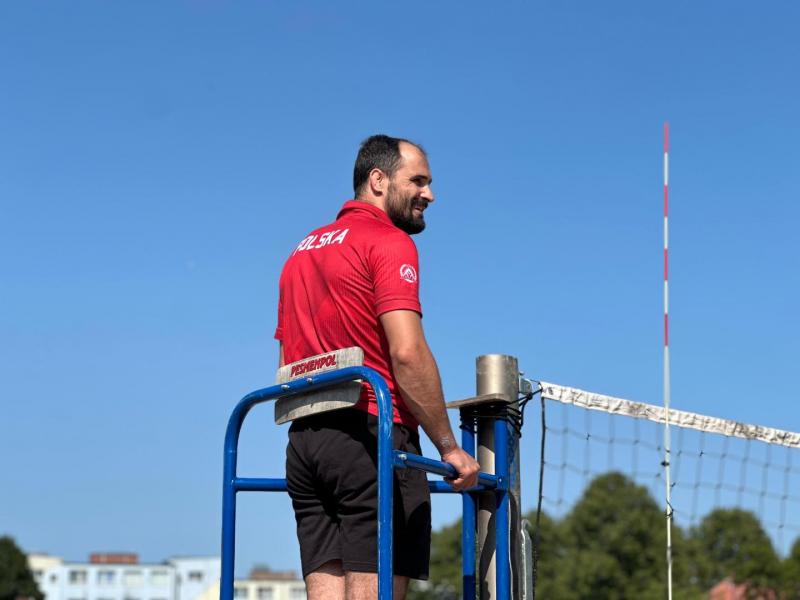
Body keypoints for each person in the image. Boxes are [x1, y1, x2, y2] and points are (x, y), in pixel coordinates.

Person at [274, 134, 480, 600]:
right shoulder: (389, 242)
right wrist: (449, 447)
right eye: (419, 181)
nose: (430, 194)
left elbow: (287, 355)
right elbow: (407, 353)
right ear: (378, 180)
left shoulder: (299, 252)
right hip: (372, 438)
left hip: (305, 444)